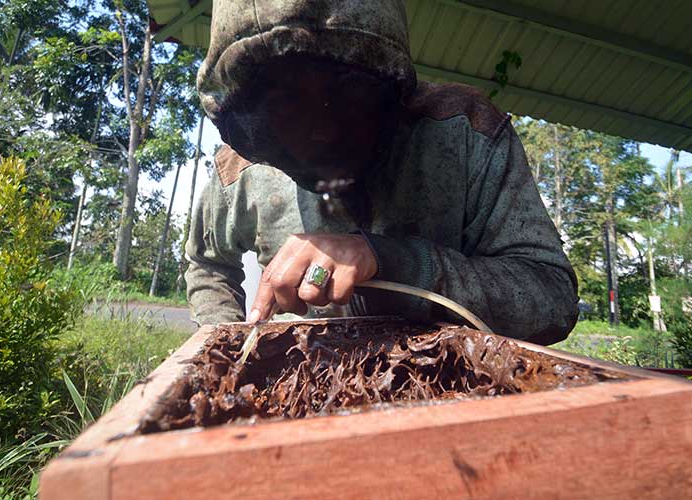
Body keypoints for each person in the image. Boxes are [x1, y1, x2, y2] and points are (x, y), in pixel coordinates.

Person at [187, 0, 579, 344]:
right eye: (287, 100)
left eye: (342, 93)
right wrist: (227, 346)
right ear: (252, 110)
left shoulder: (465, 132)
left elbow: (552, 297)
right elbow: (208, 264)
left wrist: (396, 262)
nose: (321, 128)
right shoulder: (239, 172)